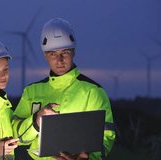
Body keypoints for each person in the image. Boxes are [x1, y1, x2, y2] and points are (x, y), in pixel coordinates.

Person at [12, 18, 116, 160]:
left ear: (73, 52)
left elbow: (107, 136)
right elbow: (16, 136)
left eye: (65, 53)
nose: (59, 60)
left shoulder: (93, 91)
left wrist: (87, 157)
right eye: (53, 54)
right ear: (45, 55)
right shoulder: (31, 92)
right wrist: (36, 121)